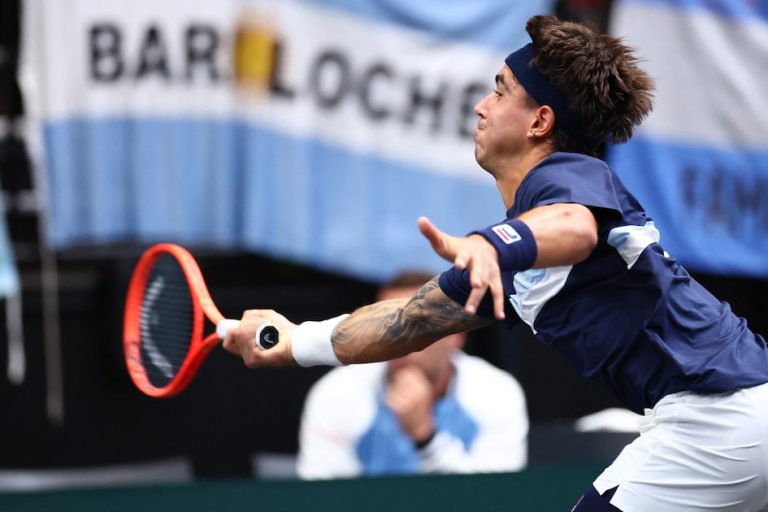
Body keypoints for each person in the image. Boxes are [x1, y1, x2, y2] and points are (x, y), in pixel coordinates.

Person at [223, 15, 768, 512]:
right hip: (732, 417)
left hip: (716, 417)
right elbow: (408, 321)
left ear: (540, 122)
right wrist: (294, 341)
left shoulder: (568, 177)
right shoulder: (516, 245)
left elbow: (574, 228)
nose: (482, 105)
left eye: (500, 92)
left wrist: (493, 243)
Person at [296, 271, 528, 479]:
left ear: (456, 335)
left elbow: (497, 497)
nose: (399, 342)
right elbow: (322, 496)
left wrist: (427, 439)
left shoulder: (497, 392)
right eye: (385, 328)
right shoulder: (335, 393)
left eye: (419, 327)